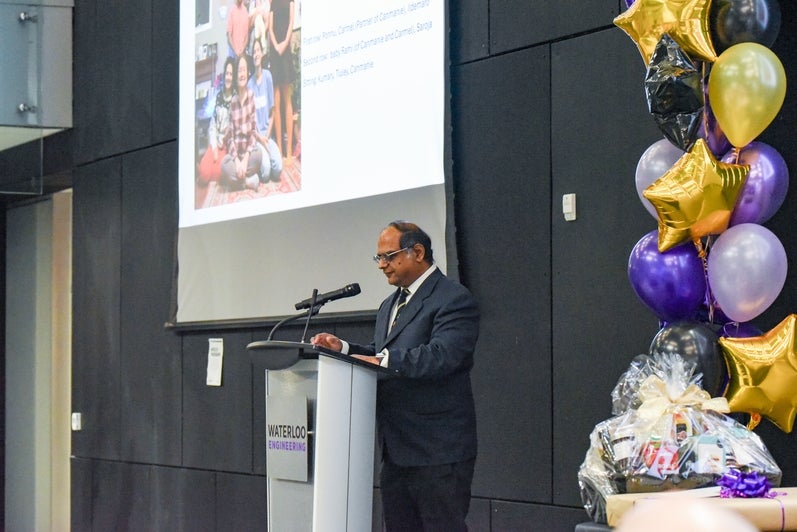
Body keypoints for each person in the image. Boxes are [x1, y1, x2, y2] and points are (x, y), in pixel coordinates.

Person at [311, 221, 480, 532]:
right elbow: (384, 352)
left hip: (438, 450)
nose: (382, 265)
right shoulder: (390, 304)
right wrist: (345, 348)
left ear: (417, 252)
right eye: (378, 258)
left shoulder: (454, 298)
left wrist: (379, 357)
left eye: (388, 256)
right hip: (396, 449)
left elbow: (442, 355)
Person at [220, 53, 263, 190]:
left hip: (249, 155)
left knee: (259, 155)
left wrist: (245, 159)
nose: (241, 74)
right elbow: (230, 138)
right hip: (237, 156)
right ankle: (248, 181)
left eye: (244, 70)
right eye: (239, 70)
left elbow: (254, 132)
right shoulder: (233, 101)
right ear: (236, 76)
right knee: (224, 165)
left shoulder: (251, 96)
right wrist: (237, 160)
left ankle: (239, 180)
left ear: (248, 72)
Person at [248, 37, 282, 186]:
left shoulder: (268, 76)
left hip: (268, 136)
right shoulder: (250, 84)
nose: (256, 54)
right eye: (253, 52)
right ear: (252, 56)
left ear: (262, 54)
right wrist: (262, 141)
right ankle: (258, 163)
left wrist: (267, 138)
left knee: (278, 169)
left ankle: (265, 157)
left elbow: (273, 112)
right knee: (266, 173)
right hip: (257, 139)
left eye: (258, 51)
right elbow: (251, 122)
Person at [197, 56, 237, 184]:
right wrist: (214, 148)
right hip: (215, 144)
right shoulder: (219, 96)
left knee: (220, 172)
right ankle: (203, 169)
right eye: (227, 73)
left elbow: (234, 128)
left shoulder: (235, 98)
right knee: (204, 173)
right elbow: (212, 126)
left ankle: (213, 172)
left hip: (226, 146)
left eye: (231, 74)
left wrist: (225, 140)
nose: (228, 77)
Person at [269, 0, 296, 164]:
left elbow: (291, 22)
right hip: (274, 50)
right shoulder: (272, 2)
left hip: (285, 50)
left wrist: (284, 44)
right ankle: (279, 149)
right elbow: (270, 28)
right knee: (276, 101)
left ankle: (288, 152)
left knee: (287, 99)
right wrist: (276, 45)